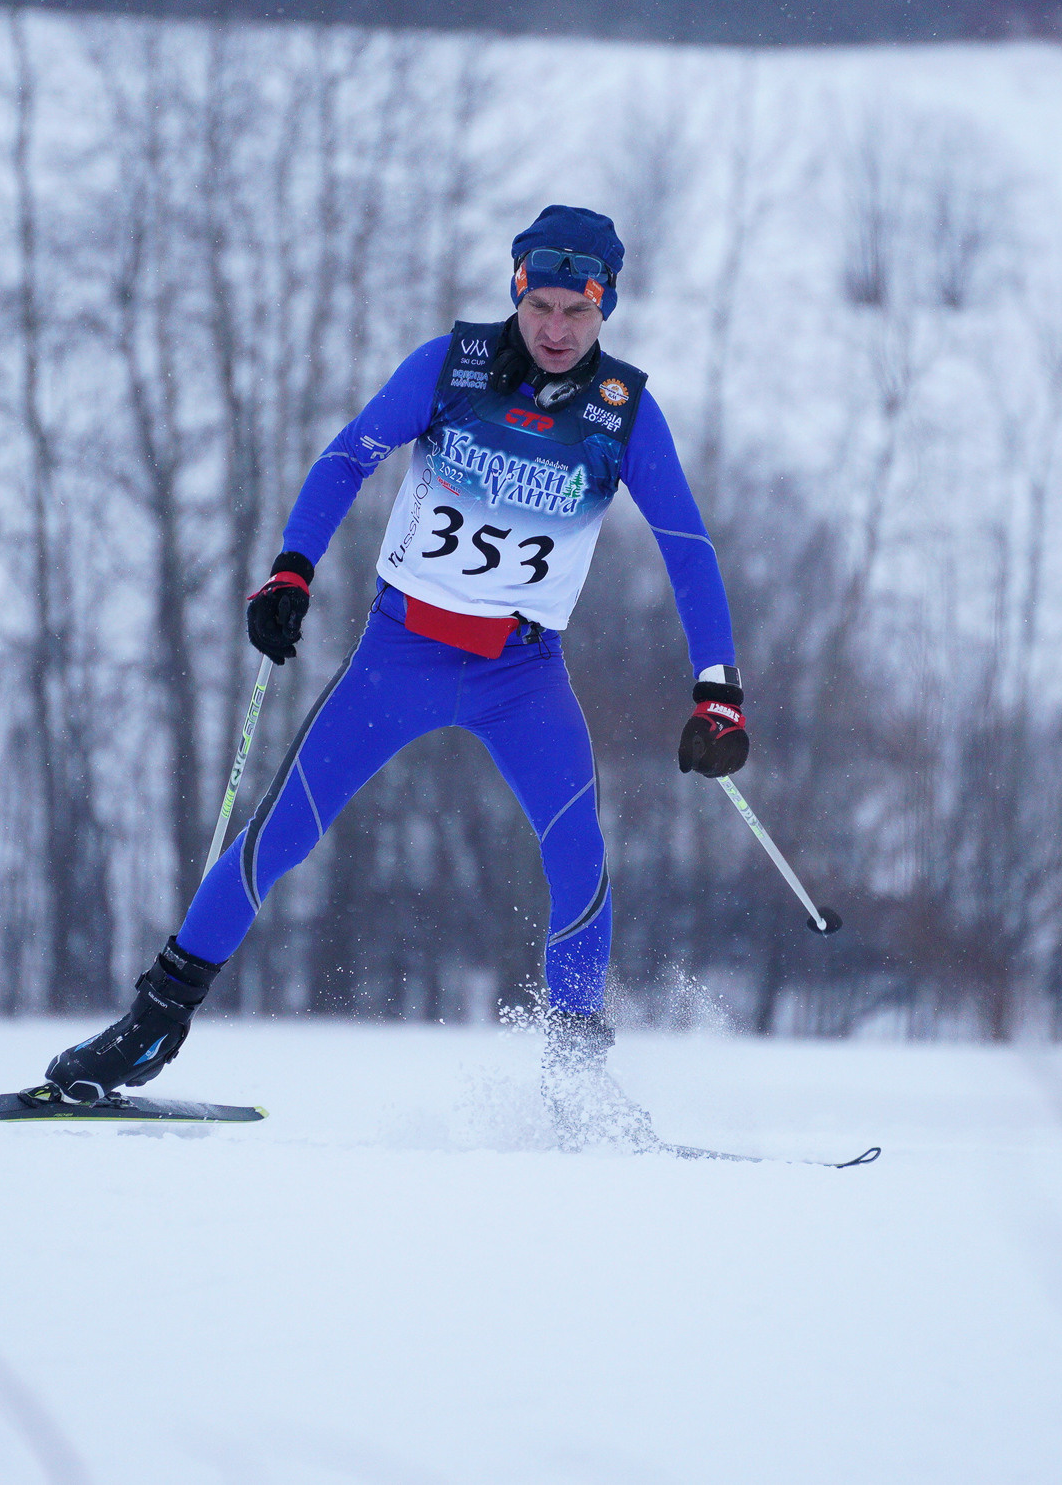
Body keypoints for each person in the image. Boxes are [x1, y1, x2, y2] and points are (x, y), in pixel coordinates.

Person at [44, 205, 748, 1149]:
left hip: (522, 673)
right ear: (515, 290)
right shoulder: (448, 368)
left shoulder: (623, 412)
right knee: (281, 831)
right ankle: (148, 1027)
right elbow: (347, 458)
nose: (554, 329)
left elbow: (688, 549)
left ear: (605, 307)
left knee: (579, 852)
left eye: (576, 315)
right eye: (539, 304)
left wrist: (717, 687)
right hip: (399, 656)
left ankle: (577, 1079)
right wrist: (291, 568)